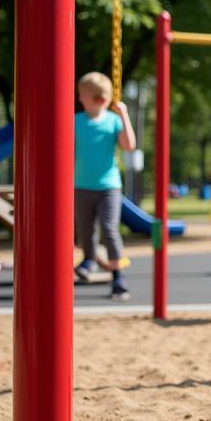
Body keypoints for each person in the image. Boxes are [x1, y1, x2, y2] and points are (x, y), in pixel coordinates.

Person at [74, 72, 137, 300]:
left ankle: (118, 276)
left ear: (99, 100)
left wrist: (124, 115)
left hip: (109, 186)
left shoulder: (113, 121)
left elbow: (129, 146)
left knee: (109, 229)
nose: (80, 99)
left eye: (83, 96)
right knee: (85, 229)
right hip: (81, 184)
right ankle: (89, 259)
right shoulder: (76, 121)